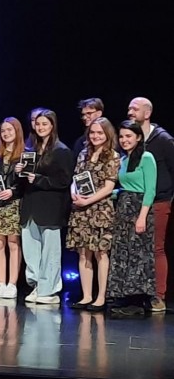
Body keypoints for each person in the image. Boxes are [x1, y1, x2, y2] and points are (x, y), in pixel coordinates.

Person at [17, 109, 74, 305]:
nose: (40, 127)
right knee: (31, 249)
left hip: (51, 207)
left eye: (45, 124)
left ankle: (49, 289)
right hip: (31, 206)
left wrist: (39, 179)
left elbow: (64, 181)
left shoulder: (61, 150)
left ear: (52, 126)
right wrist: (20, 172)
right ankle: (36, 285)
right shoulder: (31, 150)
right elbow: (25, 181)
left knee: (50, 250)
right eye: (38, 124)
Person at [67, 117, 120, 312]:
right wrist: (73, 192)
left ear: (107, 134)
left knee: (100, 253)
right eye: (93, 132)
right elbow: (76, 178)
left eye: (100, 132)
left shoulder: (112, 156)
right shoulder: (83, 153)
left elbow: (108, 187)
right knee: (83, 254)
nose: (96, 136)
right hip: (81, 210)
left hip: (100, 210)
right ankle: (86, 295)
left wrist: (87, 201)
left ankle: (100, 297)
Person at [127, 97, 174, 313]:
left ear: (147, 114)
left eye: (135, 109)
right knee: (136, 250)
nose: (130, 112)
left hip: (158, 200)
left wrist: (167, 197)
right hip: (133, 202)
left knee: (156, 248)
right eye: (129, 109)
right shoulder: (130, 139)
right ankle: (137, 292)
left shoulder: (162, 139)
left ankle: (158, 296)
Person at [108, 120, 157, 316]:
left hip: (139, 210)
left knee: (138, 255)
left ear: (138, 137)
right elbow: (124, 186)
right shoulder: (123, 159)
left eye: (129, 136)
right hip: (123, 209)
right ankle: (123, 296)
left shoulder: (147, 157)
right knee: (123, 253)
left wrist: (142, 217)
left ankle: (137, 300)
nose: (124, 140)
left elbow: (150, 190)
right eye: (122, 136)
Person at [0, 117, 25, 299]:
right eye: (3, 131)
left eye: (10, 130)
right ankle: (1, 283)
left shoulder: (25, 154)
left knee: (13, 243)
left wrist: (13, 191)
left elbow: (26, 184)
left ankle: (12, 284)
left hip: (13, 204)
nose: (6, 133)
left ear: (17, 131)